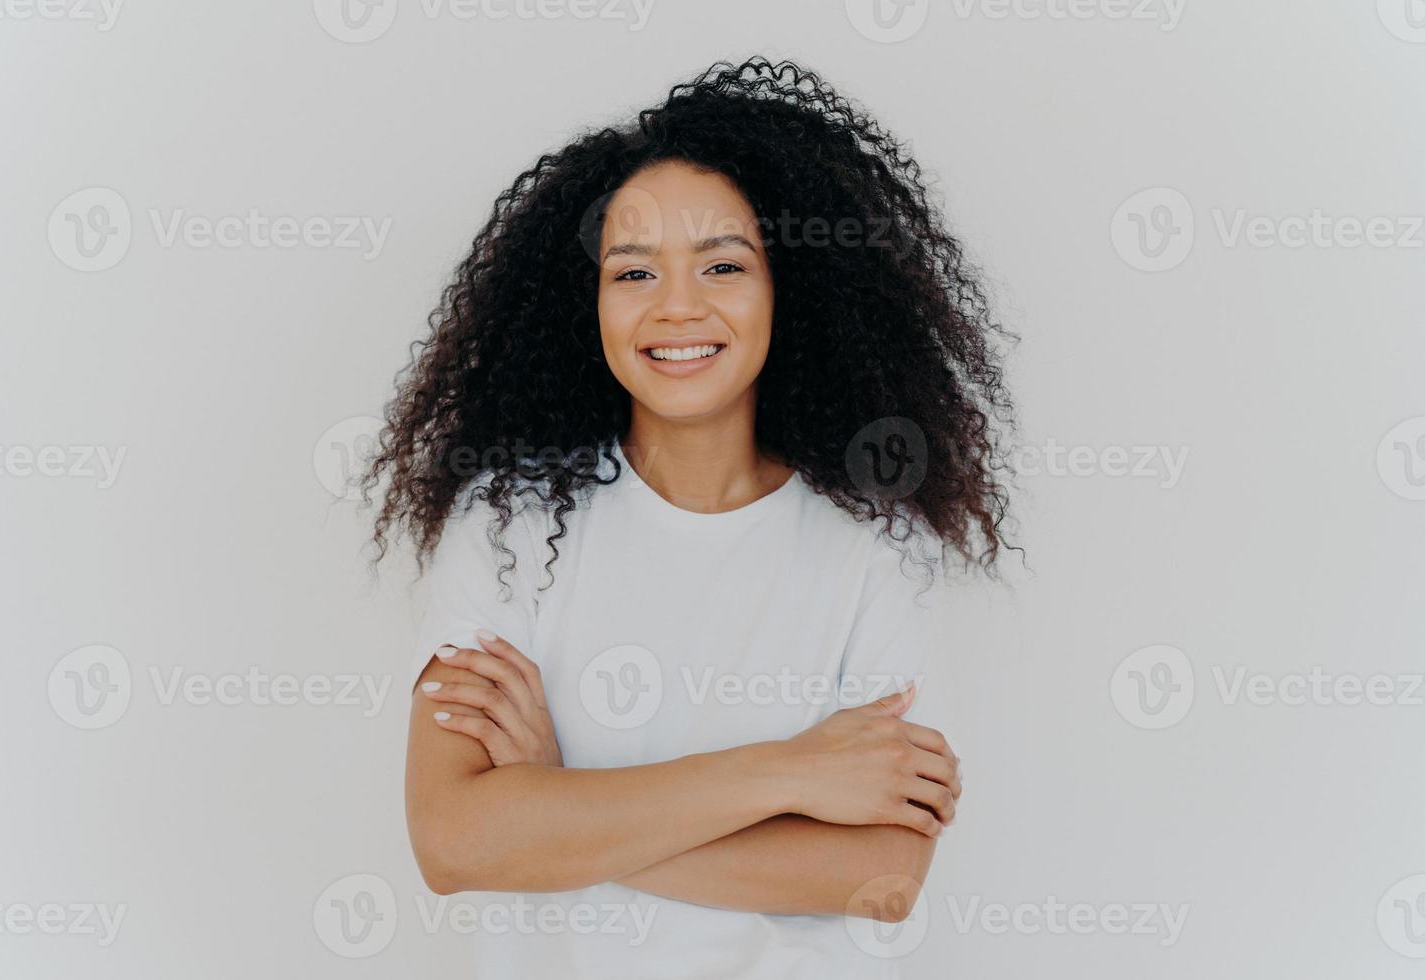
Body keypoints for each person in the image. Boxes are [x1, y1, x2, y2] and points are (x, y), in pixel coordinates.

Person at [365, 56, 1014, 979]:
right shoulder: (509, 525)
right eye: (633, 271)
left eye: (722, 265)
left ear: (792, 289)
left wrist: (554, 808)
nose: (678, 306)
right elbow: (454, 842)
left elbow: (879, 874)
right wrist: (792, 773)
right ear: (583, 302)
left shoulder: (878, 546)